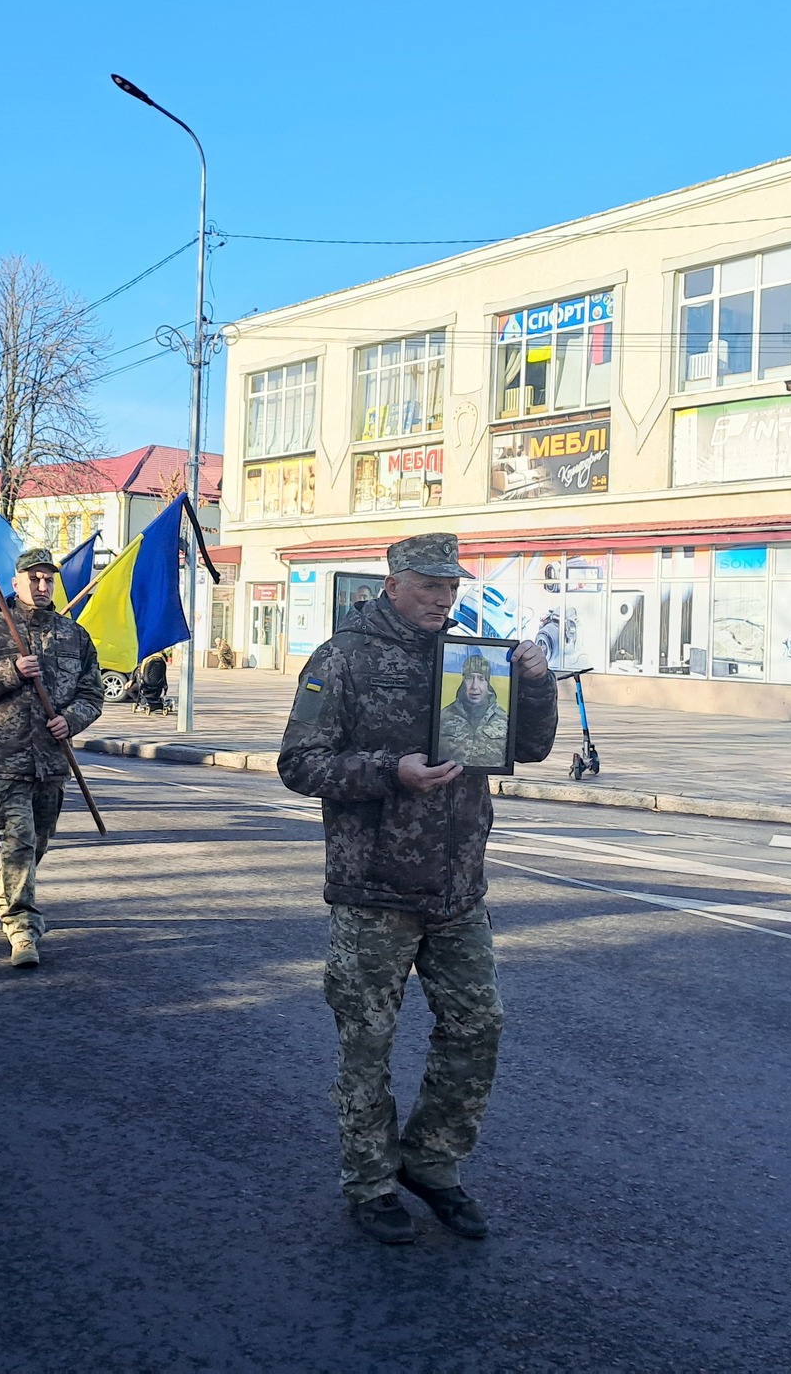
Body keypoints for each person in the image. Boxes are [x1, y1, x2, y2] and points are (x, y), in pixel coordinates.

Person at [278, 532, 558, 1247]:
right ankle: (369, 1182)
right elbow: (300, 763)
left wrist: (534, 682)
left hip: (457, 887)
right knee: (367, 1044)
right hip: (374, 886)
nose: (444, 601)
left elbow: (526, 749)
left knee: (478, 1027)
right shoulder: (342, 657)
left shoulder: (470, 656)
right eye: (431, 587)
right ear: (395, 582)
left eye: (452, 588)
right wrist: (387, 770)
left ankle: (431, 1162)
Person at [0, 547, 103, 969]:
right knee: (17, 841)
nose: (41, 586)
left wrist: (71, 721)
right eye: (33, 579)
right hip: (5, 758)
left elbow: (92, 695)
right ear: (16, 582)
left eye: (47, 579)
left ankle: (6, 894)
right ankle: (23, 928)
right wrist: (12, 670)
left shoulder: (74, 635)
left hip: (52, 762)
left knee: (36, 843)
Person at [437, 651, 509, 768]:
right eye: (470, 678)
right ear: (463, 680)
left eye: (481, 679)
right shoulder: (443, 717)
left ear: (488, 684)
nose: (475, 686)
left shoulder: (504, 719)